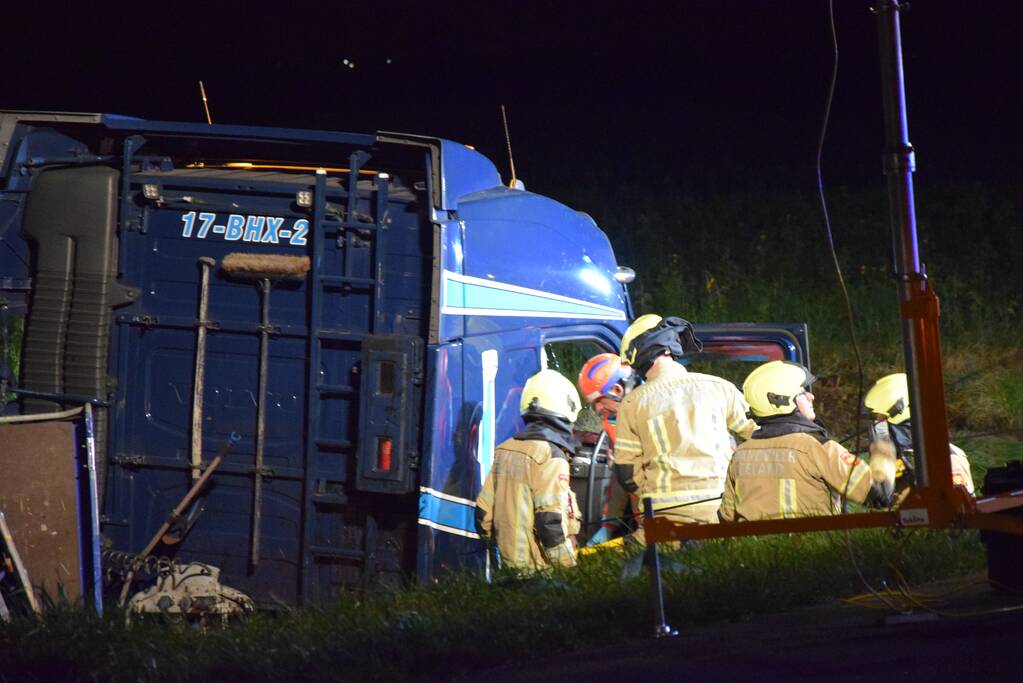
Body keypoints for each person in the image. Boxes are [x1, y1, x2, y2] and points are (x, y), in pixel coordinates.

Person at [614, 314, 757, 538]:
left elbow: (626, 473)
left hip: (663, 518)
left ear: (638, 355)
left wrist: (652, 497)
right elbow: (761, 437)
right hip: (720, 512)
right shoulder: (720, 388)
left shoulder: (632, 404)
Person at [719, 360, 897, 522]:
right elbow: (879, 494)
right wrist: (883, 443)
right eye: (803, 393)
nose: (812, 397)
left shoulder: (741, 455)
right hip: (807, 553)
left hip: (756, 555)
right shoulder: (817, 449)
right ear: (781, 401)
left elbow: (726, 518)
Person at [475, 369, 582, 572]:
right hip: (541, 574)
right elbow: (551, 524)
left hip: (509, 570)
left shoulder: (504, 449)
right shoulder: (551, 456)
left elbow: (482, 516)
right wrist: (569, 569)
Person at [864, 373, 975, 494]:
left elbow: (953, 508)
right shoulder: (901, 460)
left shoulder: (947, 459)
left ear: (901, 418)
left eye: (880, 419)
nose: (876, 428)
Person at [577, 352, 637, 545]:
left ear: (618, 390)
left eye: (599, 401)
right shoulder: (614, 422)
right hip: (646, 519)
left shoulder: (652, 415)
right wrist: (608, 525)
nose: (597, 409)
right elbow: (621, 477)